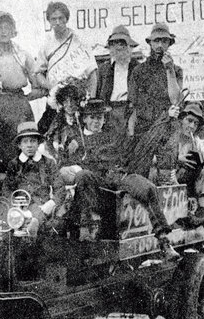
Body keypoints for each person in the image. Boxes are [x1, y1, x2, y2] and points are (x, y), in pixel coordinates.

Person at [65, 99, 175, 256]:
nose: (96, 121)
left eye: (100, 117)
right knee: (83, 175)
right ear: (84, 119)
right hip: (98, 185)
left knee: (148, 188)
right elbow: (66, 166)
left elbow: (132, 147)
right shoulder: (76, 140)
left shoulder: (113, 136)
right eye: (92, 117)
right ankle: (87, 231)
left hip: (119, 176)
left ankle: (164, 241)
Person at [0, 11, 43, 173]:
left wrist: (26, 97)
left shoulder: (23, 54)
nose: (3, 32)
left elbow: (37, 83)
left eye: (7, 27)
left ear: (13, 31)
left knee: (25, 142)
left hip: (20, 104)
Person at [35, 1, 97, 134]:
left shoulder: (79, 42)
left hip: (77, 99)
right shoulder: (46, 45)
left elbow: (92, 73)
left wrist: (90, 99)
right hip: (56, 100)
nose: (57, 22)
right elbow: (38, 73)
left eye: (61, 18)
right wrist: (51, 86)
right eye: (53, 19)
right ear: (49, 21)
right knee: (49, 133)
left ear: (66, 19)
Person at [155, 101, 204, 229]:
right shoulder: (170, 135)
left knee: (203, 170)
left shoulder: (195, 141)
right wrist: (176, 159)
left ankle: (203, 211)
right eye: (189, 121)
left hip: (183, 180)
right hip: (166, 178)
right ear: (181, 119)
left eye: (196, 123)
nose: (192, 126)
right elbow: (153, 159)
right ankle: (184, 216)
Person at [2, 122, 66, 237]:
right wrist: (15, 206)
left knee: (39, 218)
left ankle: (33, 226)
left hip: (42, 206)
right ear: (19, 145)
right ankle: (30, 227)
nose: (29, 145)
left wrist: (50, 204)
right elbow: (7, 189)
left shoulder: (48, 163)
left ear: (38, 144)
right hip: (21, 206)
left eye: (33, 141)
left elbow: (60, 188)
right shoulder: (14, 164)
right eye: (25, 142)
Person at [129, 23, 183, 139]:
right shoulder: (139, 71)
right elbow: (132, 106)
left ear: (169, 44)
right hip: (144, 130)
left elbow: (175, 100)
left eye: (164, 41)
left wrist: (170, 70)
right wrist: (131, 134)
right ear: (150, 43)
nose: (160, 45)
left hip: (167, 129)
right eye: (156, 41)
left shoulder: (176, 71)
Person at [92, 25, 140, 138]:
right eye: (114, 44)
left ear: (129, 46)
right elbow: (97, 94)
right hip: (108, 112)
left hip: (130, 111)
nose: (118, 47)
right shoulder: (103, 69)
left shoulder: (138, 68)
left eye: (122, 44)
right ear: (110, 47)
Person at [43, 79, 87, 183]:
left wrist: (78, 141)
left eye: (73, 100)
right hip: (62, 161)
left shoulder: (83, 119)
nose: (70, 104)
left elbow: (89, 136)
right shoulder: (58, 121)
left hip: (83, 161)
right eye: (66, 101)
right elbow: (50, 140)